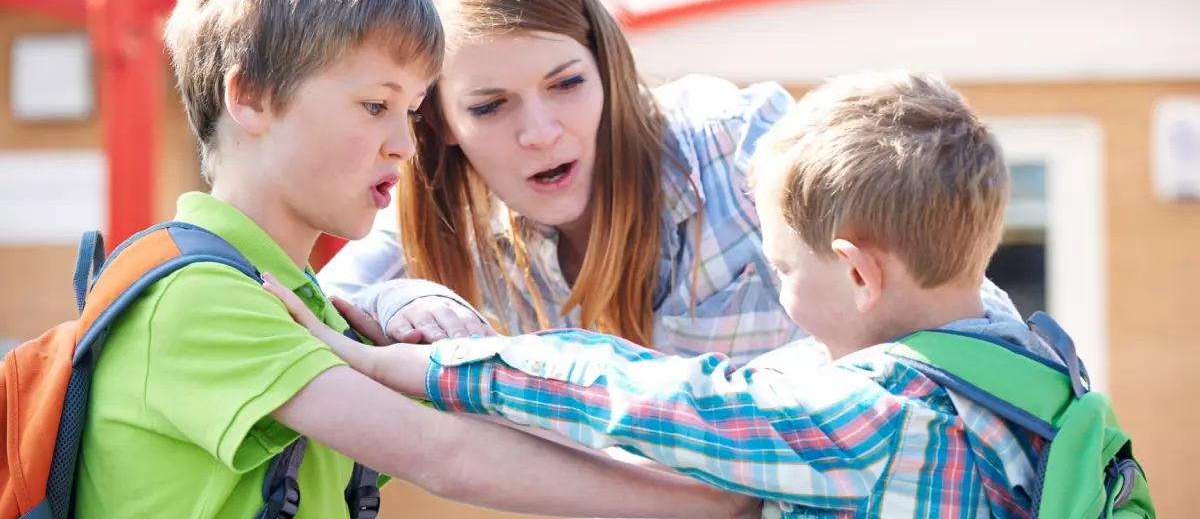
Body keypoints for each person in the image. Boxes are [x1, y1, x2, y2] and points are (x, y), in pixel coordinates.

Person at [72, 0, 760, 519]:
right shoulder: (201, 295)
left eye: (410, 112)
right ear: (249, 95)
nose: (405, 144)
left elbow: (495, 434)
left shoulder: (303, 300)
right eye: (377, 106)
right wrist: (737, 499)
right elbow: (448, 453)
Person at [274, 70, 1065, 517]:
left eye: (784, 271)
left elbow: (642, 395)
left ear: (859, 274)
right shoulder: (1031, 372)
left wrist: (412, 367)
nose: (781, 294)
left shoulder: (870, 422)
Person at [318, 0, 1022, 367]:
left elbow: (961, 306)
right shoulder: (439, 216)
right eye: (490, 105)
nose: (540, 131)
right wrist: (395, 304)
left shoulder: (736, 144)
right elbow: (314, 309)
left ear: (606, 68)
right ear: (438, 121)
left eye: (565, 84)